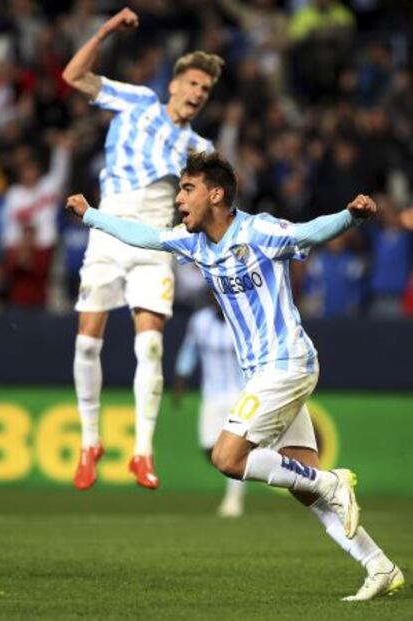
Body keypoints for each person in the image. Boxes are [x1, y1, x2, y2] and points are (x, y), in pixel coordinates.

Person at [66, 151, 404, 601]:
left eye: (188, 189)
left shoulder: (259, 231)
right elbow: (145, 236)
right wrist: (93, 216)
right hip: (264, 373)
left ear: (216, 193)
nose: (179, 199)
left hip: (286, 363)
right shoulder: (195, 244)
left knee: (228, 458)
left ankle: (332, 482)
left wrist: (350, 217)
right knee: (305, 486)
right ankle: (379, 565)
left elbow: (309, 231)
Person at [62, 7, 224, 491]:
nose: (198, 94)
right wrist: (109, 29)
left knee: (150, 344)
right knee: (87, 341)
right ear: (175, 83)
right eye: (193, 84)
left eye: (206, 90)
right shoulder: (137, 101)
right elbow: (73, 75)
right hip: (109, 228)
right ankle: (90, 442)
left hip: (155, 238)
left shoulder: (200, 147)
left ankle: (142, 452)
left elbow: (206, 205)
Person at [174, 296, 246, 517]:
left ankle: (233, 500)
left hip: (241, 394)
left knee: (233, 451)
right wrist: (180, 382)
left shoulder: (243, 320)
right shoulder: (199, 321)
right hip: (212, 394)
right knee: (209, 448)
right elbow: (189, 351)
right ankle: (256, 466)